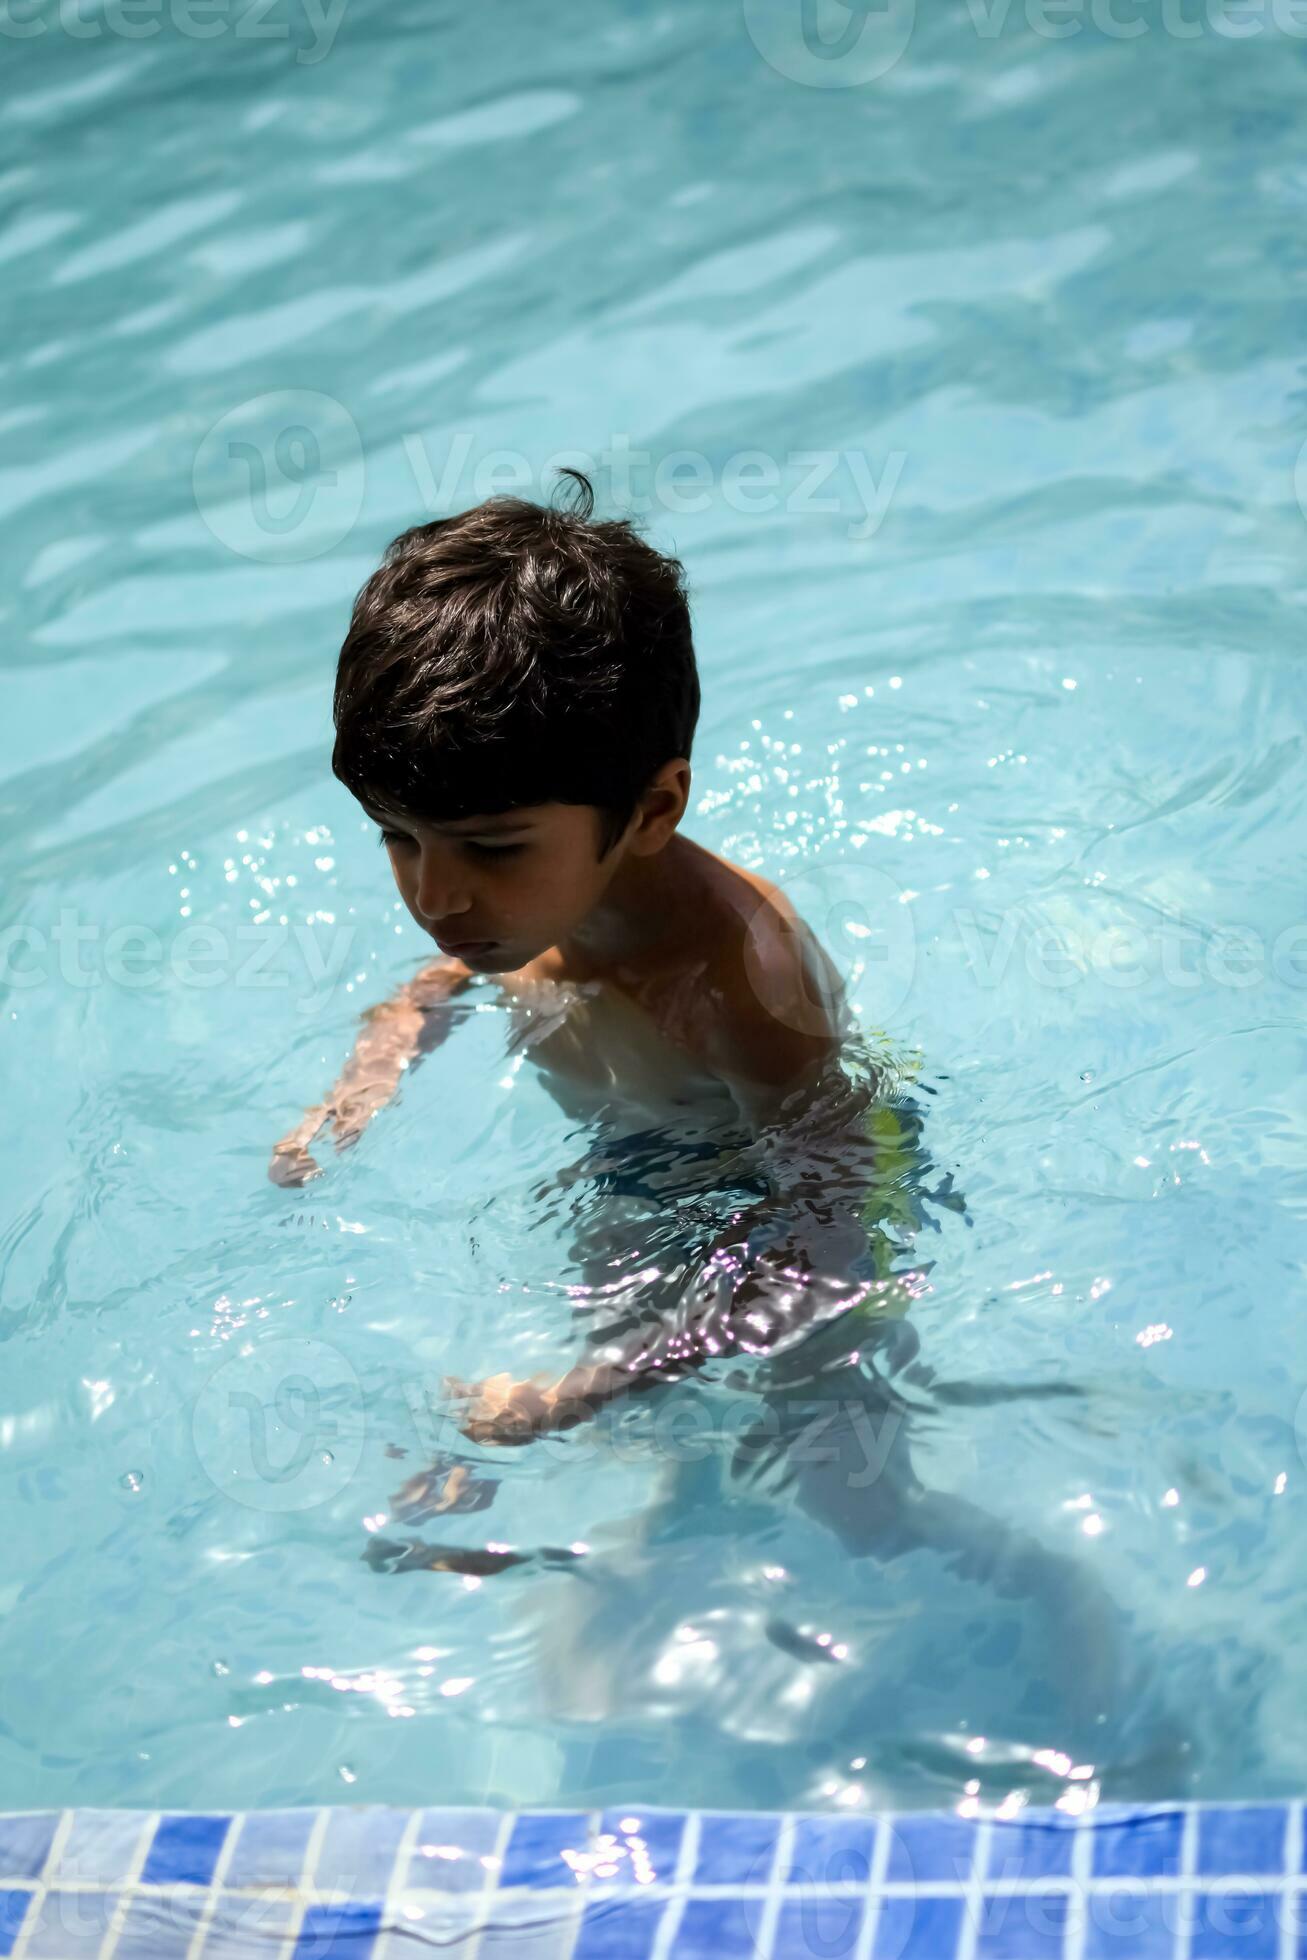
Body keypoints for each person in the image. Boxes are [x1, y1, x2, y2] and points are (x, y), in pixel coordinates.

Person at [268, 472, 1124, 1736]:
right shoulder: (520, 915)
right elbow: (462, 949)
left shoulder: (741, 982)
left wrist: (595, 1381)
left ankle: (1079, 1637)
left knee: (854, 1496)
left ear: (653, 808)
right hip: (640, 1173)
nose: (434, 895)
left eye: (489, 849)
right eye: (398, 839)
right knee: (672, 1466)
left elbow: (828, 1234)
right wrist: (398, 1030)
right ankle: (637, 1576)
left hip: (794, 1189)